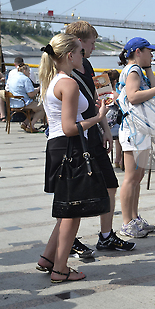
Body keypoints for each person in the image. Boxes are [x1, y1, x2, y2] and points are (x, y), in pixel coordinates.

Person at [36, 33, 108, 282]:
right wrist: (98, 119)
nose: (83, 55)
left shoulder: (52, 80)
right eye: (79, 52)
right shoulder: (69, 83)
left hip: (56, 146)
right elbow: (69, 127)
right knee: (72, 212)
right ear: (69, 56)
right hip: (69, 146)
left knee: (66, 208)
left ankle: (48, 257)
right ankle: (60, 269)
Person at [65, 21, 135, 254]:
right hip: (76, 136)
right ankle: (69, 239)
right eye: (93, 42)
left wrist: (105, 128)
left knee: (109, 184)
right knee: (77, 192)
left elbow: (97, 99)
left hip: (93, 131)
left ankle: (106, 236)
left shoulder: (87, 65)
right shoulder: (66, 70)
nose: (95, 47)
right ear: (79, 42)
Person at [117, 37, 155, 238]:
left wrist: (149, 69)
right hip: (134, 131)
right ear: (138, 51)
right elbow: (133, 96)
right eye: (149, 51)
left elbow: (153, 91)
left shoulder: (138, 69)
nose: (153, 54)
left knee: (138, 177)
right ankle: (127, 222)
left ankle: (134, 218)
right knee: (131, 177)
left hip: (141, 131)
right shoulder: (132, 70)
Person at [6, 64, 45, 132]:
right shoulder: (25, 79)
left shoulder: (13, 77)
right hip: (22, 102)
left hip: (13, 102)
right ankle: (31, 125)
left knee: (35, 109)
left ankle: (25, 123)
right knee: (42, 108)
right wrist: (39, 89)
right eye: (28, 71)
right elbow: (31, 94)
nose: (29, 73)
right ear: (24, 71)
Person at [102, 69, 123, 170]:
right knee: (123, 130)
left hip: (100, 126)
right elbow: (124, 108)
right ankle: (120, 159)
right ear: (115, 82)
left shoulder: (102, 93)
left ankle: (117, 159)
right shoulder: (114, 95)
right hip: (110, 128)